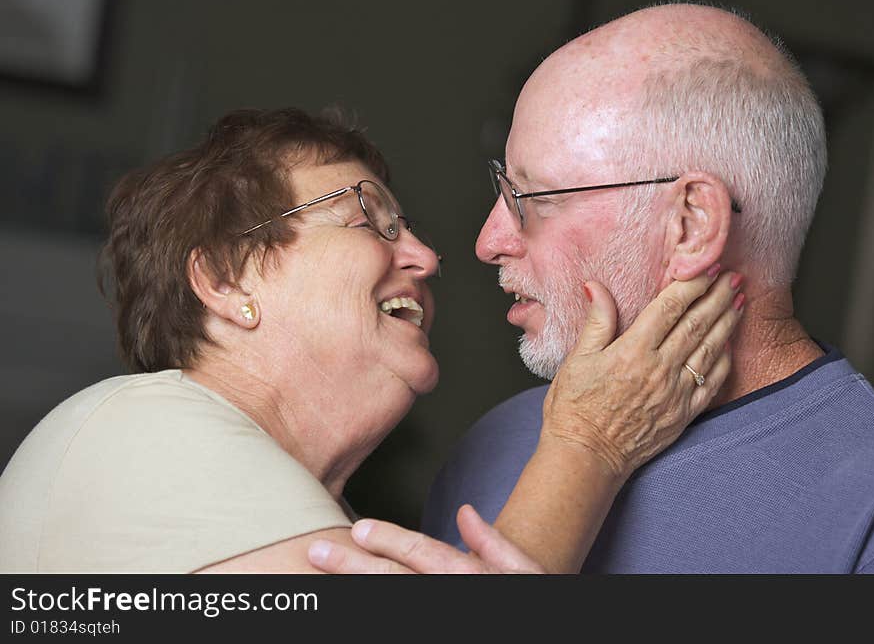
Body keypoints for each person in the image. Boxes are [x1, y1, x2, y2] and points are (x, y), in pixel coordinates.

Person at [0, 107, 742, 573]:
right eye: (373, 218)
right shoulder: (137, 428)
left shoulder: (314, 527)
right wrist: (588, 443)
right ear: (228, 278)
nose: (428, 255)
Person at [308, 3, 874, 574]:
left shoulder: (867, 502)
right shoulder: (499, 444)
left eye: (533, 200)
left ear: (690, 224)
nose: (488, 242)